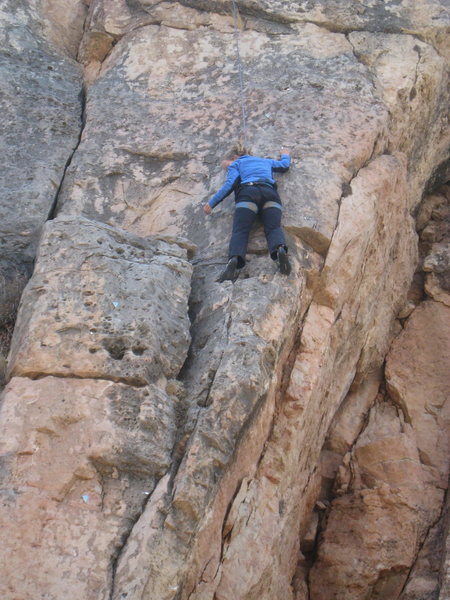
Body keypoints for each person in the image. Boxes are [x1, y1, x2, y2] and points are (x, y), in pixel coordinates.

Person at [203, 143, 292, 282]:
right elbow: (284, 166)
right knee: (273, 227)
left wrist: (211, 203)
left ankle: (234, 261)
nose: (225, 167)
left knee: (241, 230)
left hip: (248, 194)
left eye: (224, 164)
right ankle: (280, 249)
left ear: (233, 157)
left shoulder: (236, 164)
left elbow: (230, 184)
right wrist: (285, 153)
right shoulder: (265, 161)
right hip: (270, 193)